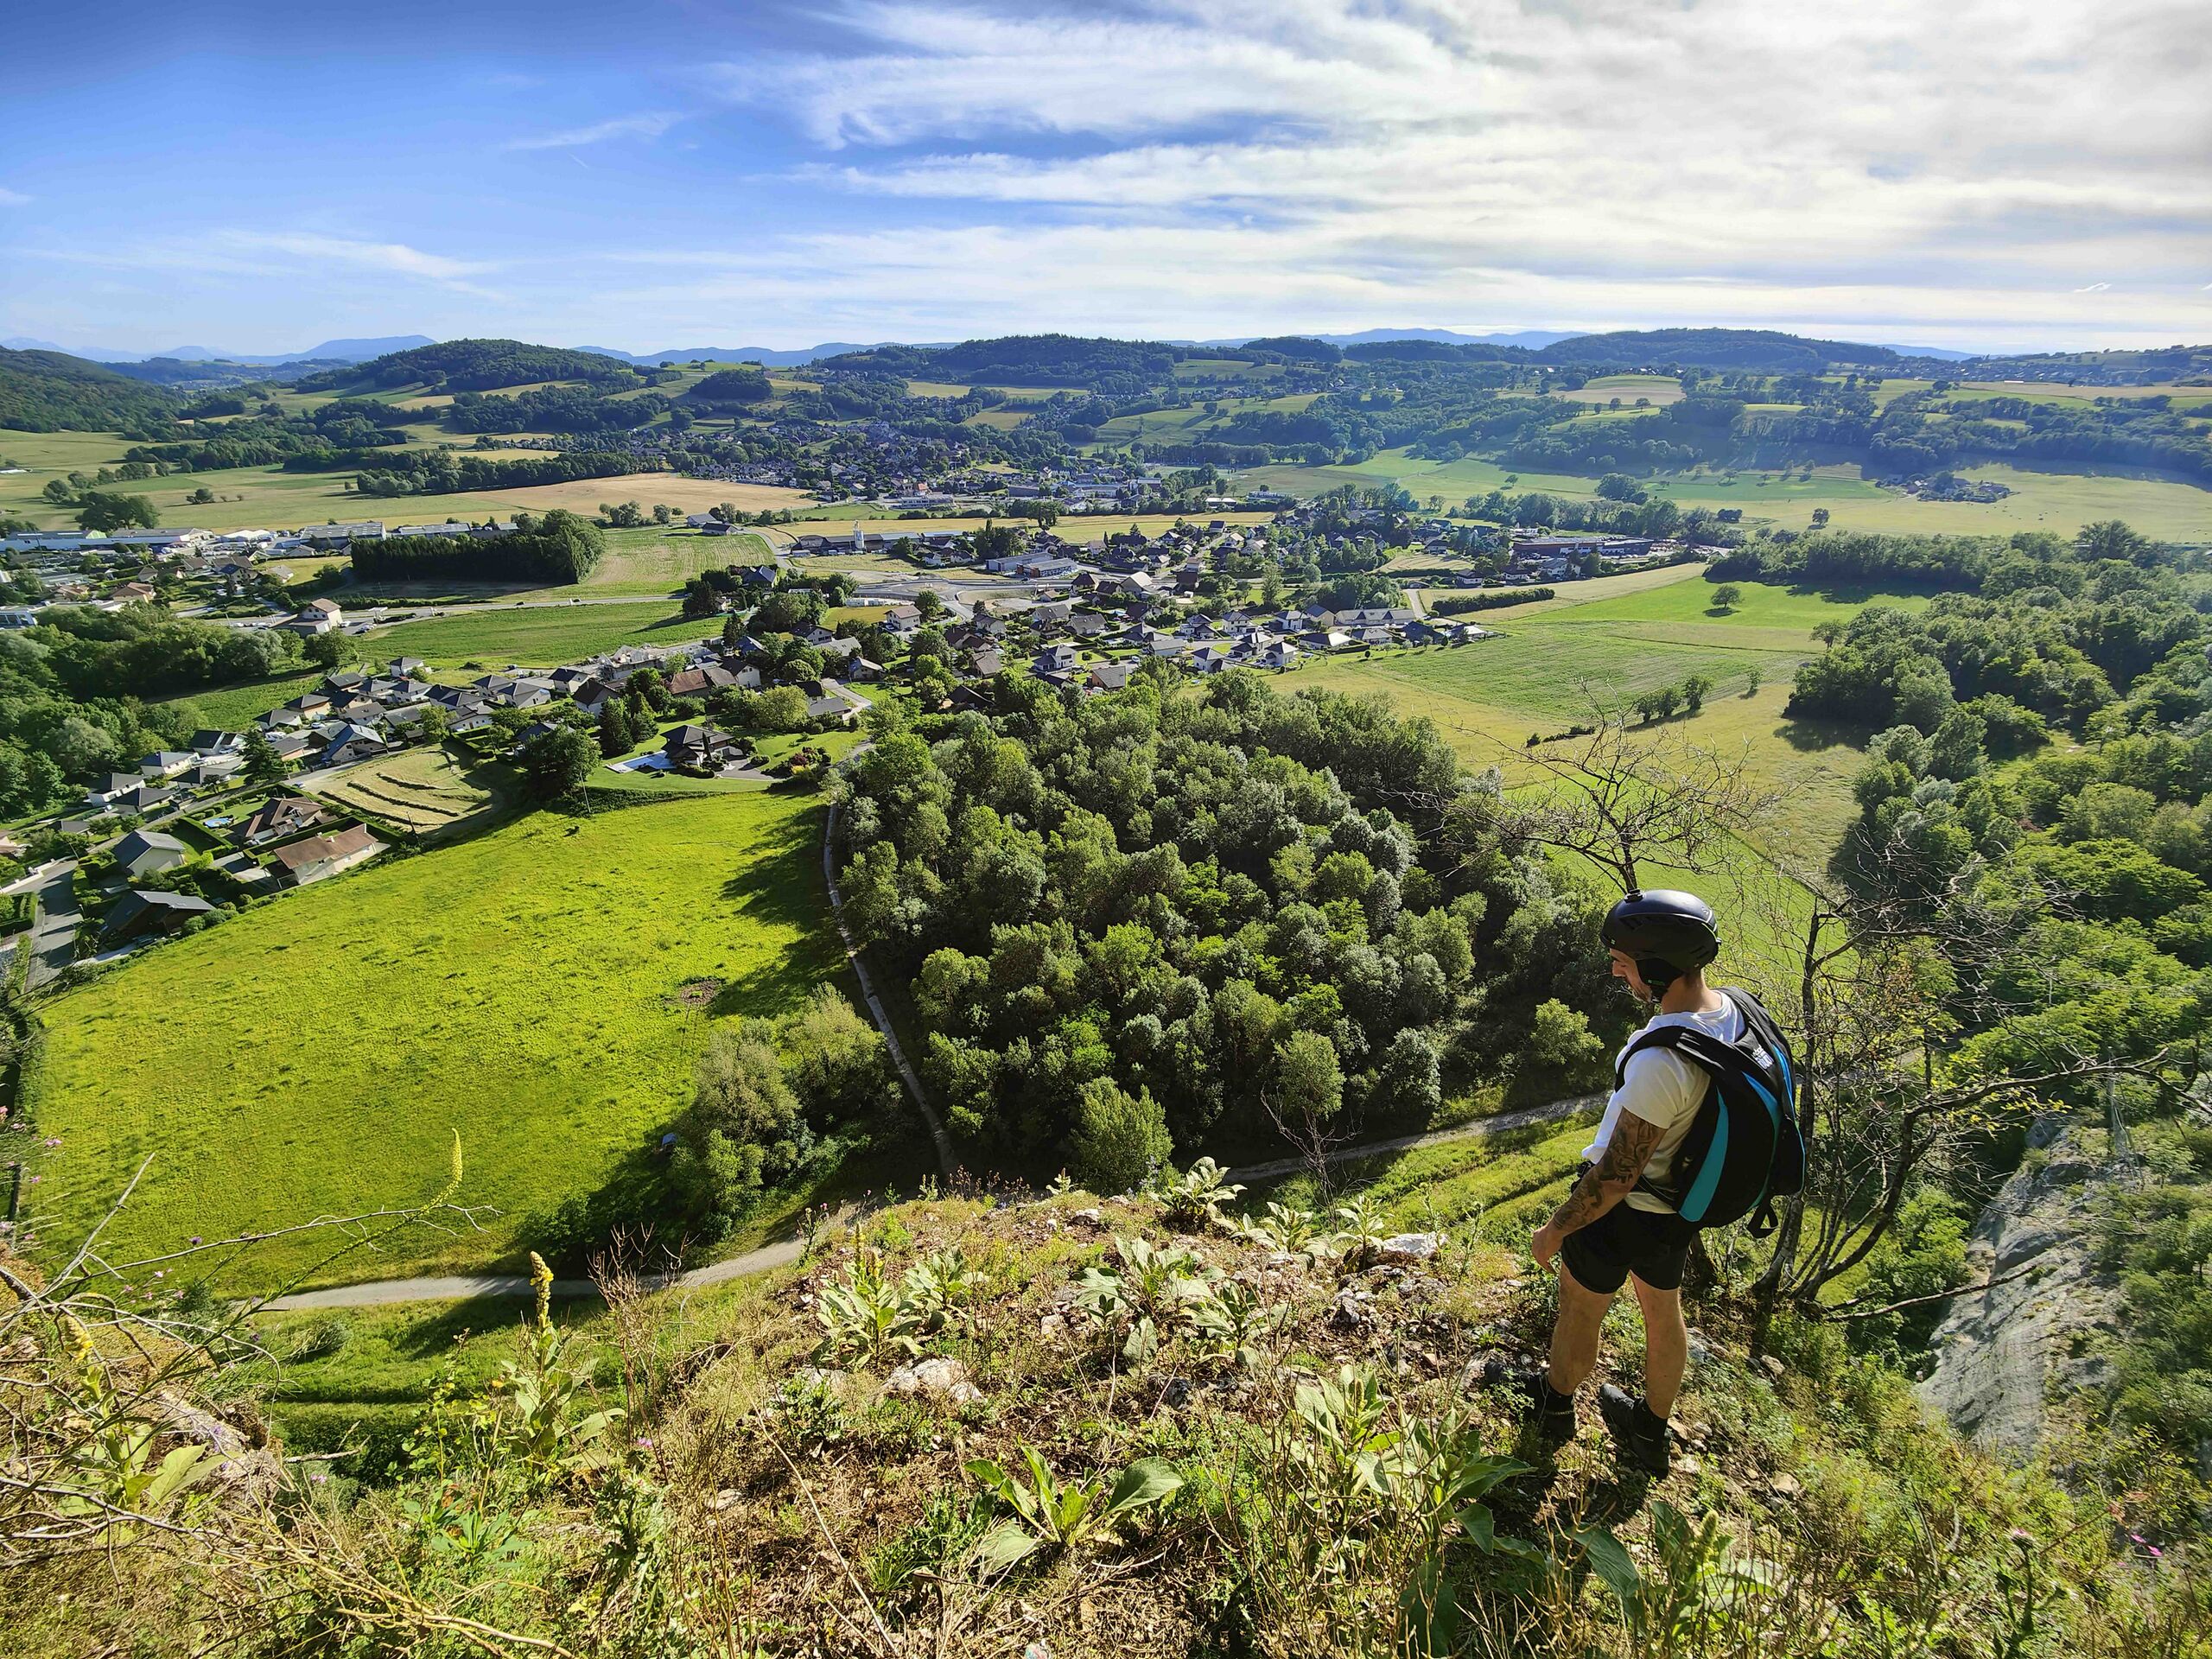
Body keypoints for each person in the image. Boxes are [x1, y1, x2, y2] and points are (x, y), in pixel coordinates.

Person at [1508, 888, 1764, 1477]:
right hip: (1679, 1207)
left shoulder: (1662, 1064)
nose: (1614, 970)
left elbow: (1616, 1177)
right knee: (1663, 1310)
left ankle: (1555, 1409)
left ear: (1656, 965)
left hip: (1624, 1214)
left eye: (1623, 961)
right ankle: (1650, 1433)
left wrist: (1554, 1230)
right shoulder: (1733, 1011)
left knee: (1580, 1309)